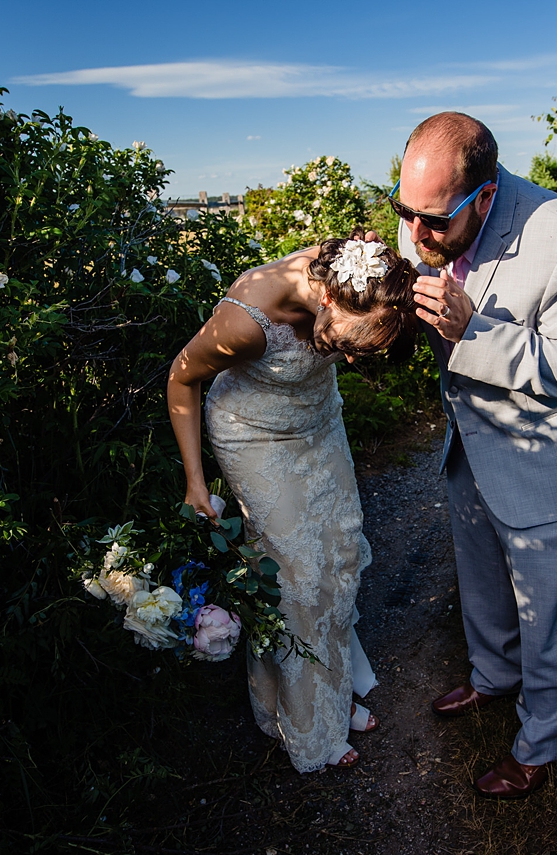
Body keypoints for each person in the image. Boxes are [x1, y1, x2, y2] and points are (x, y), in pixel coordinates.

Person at [392, 112, 557, 798]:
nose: (416, 235)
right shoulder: (426, 219)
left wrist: (474, 329)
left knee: (544, 608)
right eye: (404, 212)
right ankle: (493, 676)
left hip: (544, 455)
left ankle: (545, 737)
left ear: (486, 196)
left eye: (432, 220)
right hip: (471, 437)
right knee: (481, 574)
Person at [167, 231, 420, 771]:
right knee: (296, 578)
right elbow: (181, 378)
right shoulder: (248, 319)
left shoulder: (363, 277)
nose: (350, 360)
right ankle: (301, 720)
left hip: (318, 423)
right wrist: (194, 481)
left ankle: (334, 690)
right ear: (327, 298)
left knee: (338, 557)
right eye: (347, 346)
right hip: (254, 436)